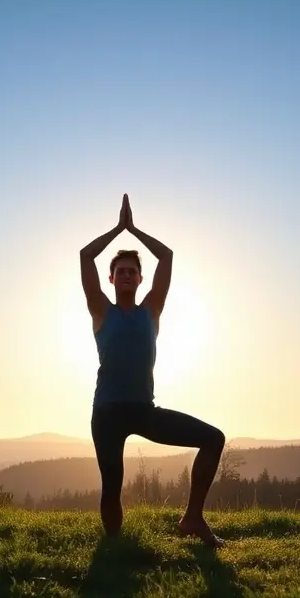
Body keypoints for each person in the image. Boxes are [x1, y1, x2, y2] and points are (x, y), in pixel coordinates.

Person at [79, 193, 226, 547]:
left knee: (213, 438)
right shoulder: (101, 310)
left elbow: (167, 256)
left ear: (140, 279)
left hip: (144, 410)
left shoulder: (151, 310)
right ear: (111, 279)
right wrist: (118, 229)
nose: (127, 275)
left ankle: (192, 518)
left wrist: (135, 229)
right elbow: (86, 256)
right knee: (112, 484)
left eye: (133, 271)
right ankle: (113, 546)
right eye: (120, 272)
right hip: (108, 413)